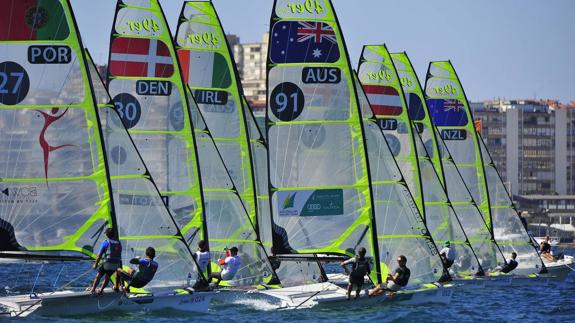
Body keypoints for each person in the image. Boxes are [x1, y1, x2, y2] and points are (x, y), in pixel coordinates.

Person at [89, 228, 122, 294]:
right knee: (107, 277)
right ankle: (101, 290)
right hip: (116, 264)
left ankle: (93, 289)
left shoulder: (106, 242)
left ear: (107, 234)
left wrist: (95, 264)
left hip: (108, 264)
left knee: (98, 276)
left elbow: (99, 255)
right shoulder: (118, 242)